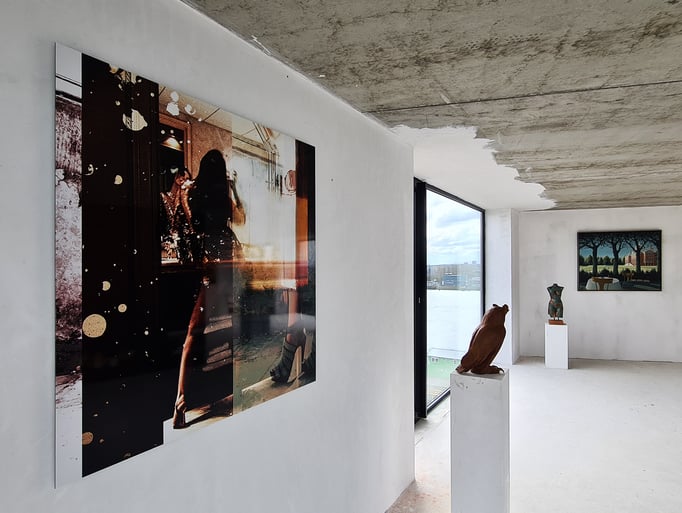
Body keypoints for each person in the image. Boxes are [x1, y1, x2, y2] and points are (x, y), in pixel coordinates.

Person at [172, 149, 245, 428]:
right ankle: (219, 394)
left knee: (194, 331)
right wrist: (232, 189)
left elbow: (186, 225)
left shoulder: (192, 192)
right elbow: (239, 217)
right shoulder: (223, 197)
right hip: (227, 262)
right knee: (223, 329)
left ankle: (180, 401)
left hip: (206, 264)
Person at [160, 167, 194, 264]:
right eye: (182, 178)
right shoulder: (163, 197)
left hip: (184, 245)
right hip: (166, 248)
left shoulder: (186, 198)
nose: (185, 182)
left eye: (187, 179)